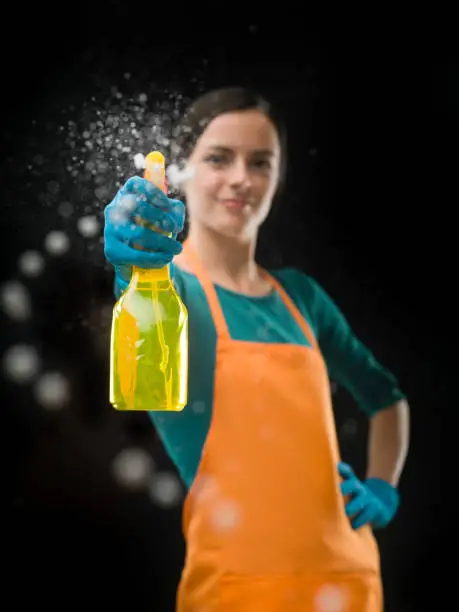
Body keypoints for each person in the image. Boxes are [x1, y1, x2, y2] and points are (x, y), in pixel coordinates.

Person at [103, 86, 410, 611]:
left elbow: (386, 398)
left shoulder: (301, 298)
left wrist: (383, 488)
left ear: (277, 180)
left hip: (350, 584)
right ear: (180, 172)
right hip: (236, 592)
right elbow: (147, 305)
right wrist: (134, 264)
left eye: (260, 162)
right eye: (219, 158)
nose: (241, 179)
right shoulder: (175, 290)